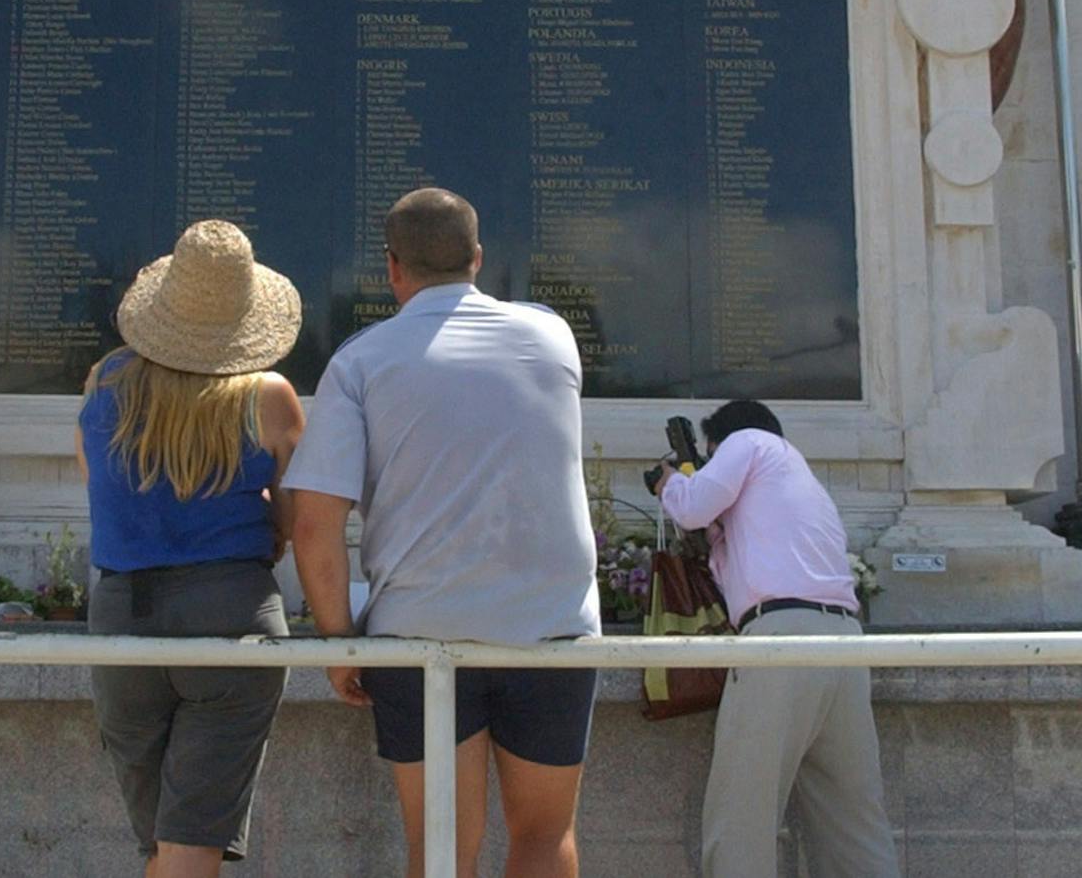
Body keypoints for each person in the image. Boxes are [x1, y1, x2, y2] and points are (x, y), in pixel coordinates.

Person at [285, 187, 601, 878]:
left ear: (392, 268)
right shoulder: (553, 337)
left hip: (419, 631)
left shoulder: (360, 363)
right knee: (545, 837)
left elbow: (313, 523)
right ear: (478, 259)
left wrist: (339, 644)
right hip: (549, 624)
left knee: (441, 849)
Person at [75, 219, 308, 877]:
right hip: (229, 616)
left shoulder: (104, 382)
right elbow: (298, 518)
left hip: (122, 616)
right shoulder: (268, 397)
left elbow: (101, 486)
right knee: (188, 845)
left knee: (164, 843)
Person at [655, 400, 898, 878]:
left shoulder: (749, 441)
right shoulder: (802, 483)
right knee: (850, 819)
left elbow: (692, 507)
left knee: (742, 812)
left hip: (782, 641)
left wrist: (672, 483)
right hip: (844, 645)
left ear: (718, 445)